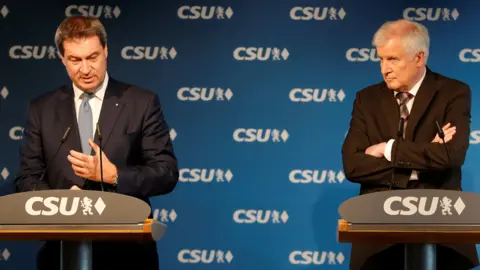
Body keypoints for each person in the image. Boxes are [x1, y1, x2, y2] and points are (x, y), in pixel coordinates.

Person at [13, 15, 179, 270]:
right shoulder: (41, 109)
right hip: (59, 252)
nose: (86, 69)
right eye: (75, 60)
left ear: (106, 51)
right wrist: (59, 203)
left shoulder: (141, 103)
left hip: (127, 253)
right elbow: (27, 177)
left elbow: (166, 173)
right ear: (62, 59)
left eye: (92, 57)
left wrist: (114, 175)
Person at [341, 19, 479, 270]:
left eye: (393, 59)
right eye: (381, 59)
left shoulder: (453, 92)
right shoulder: (367, 98)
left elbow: (451, 156)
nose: (385, 69)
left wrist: (387, 149)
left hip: (441, 233)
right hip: (377, 234)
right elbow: (353, 165)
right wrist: (423, 162)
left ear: (419, 57)